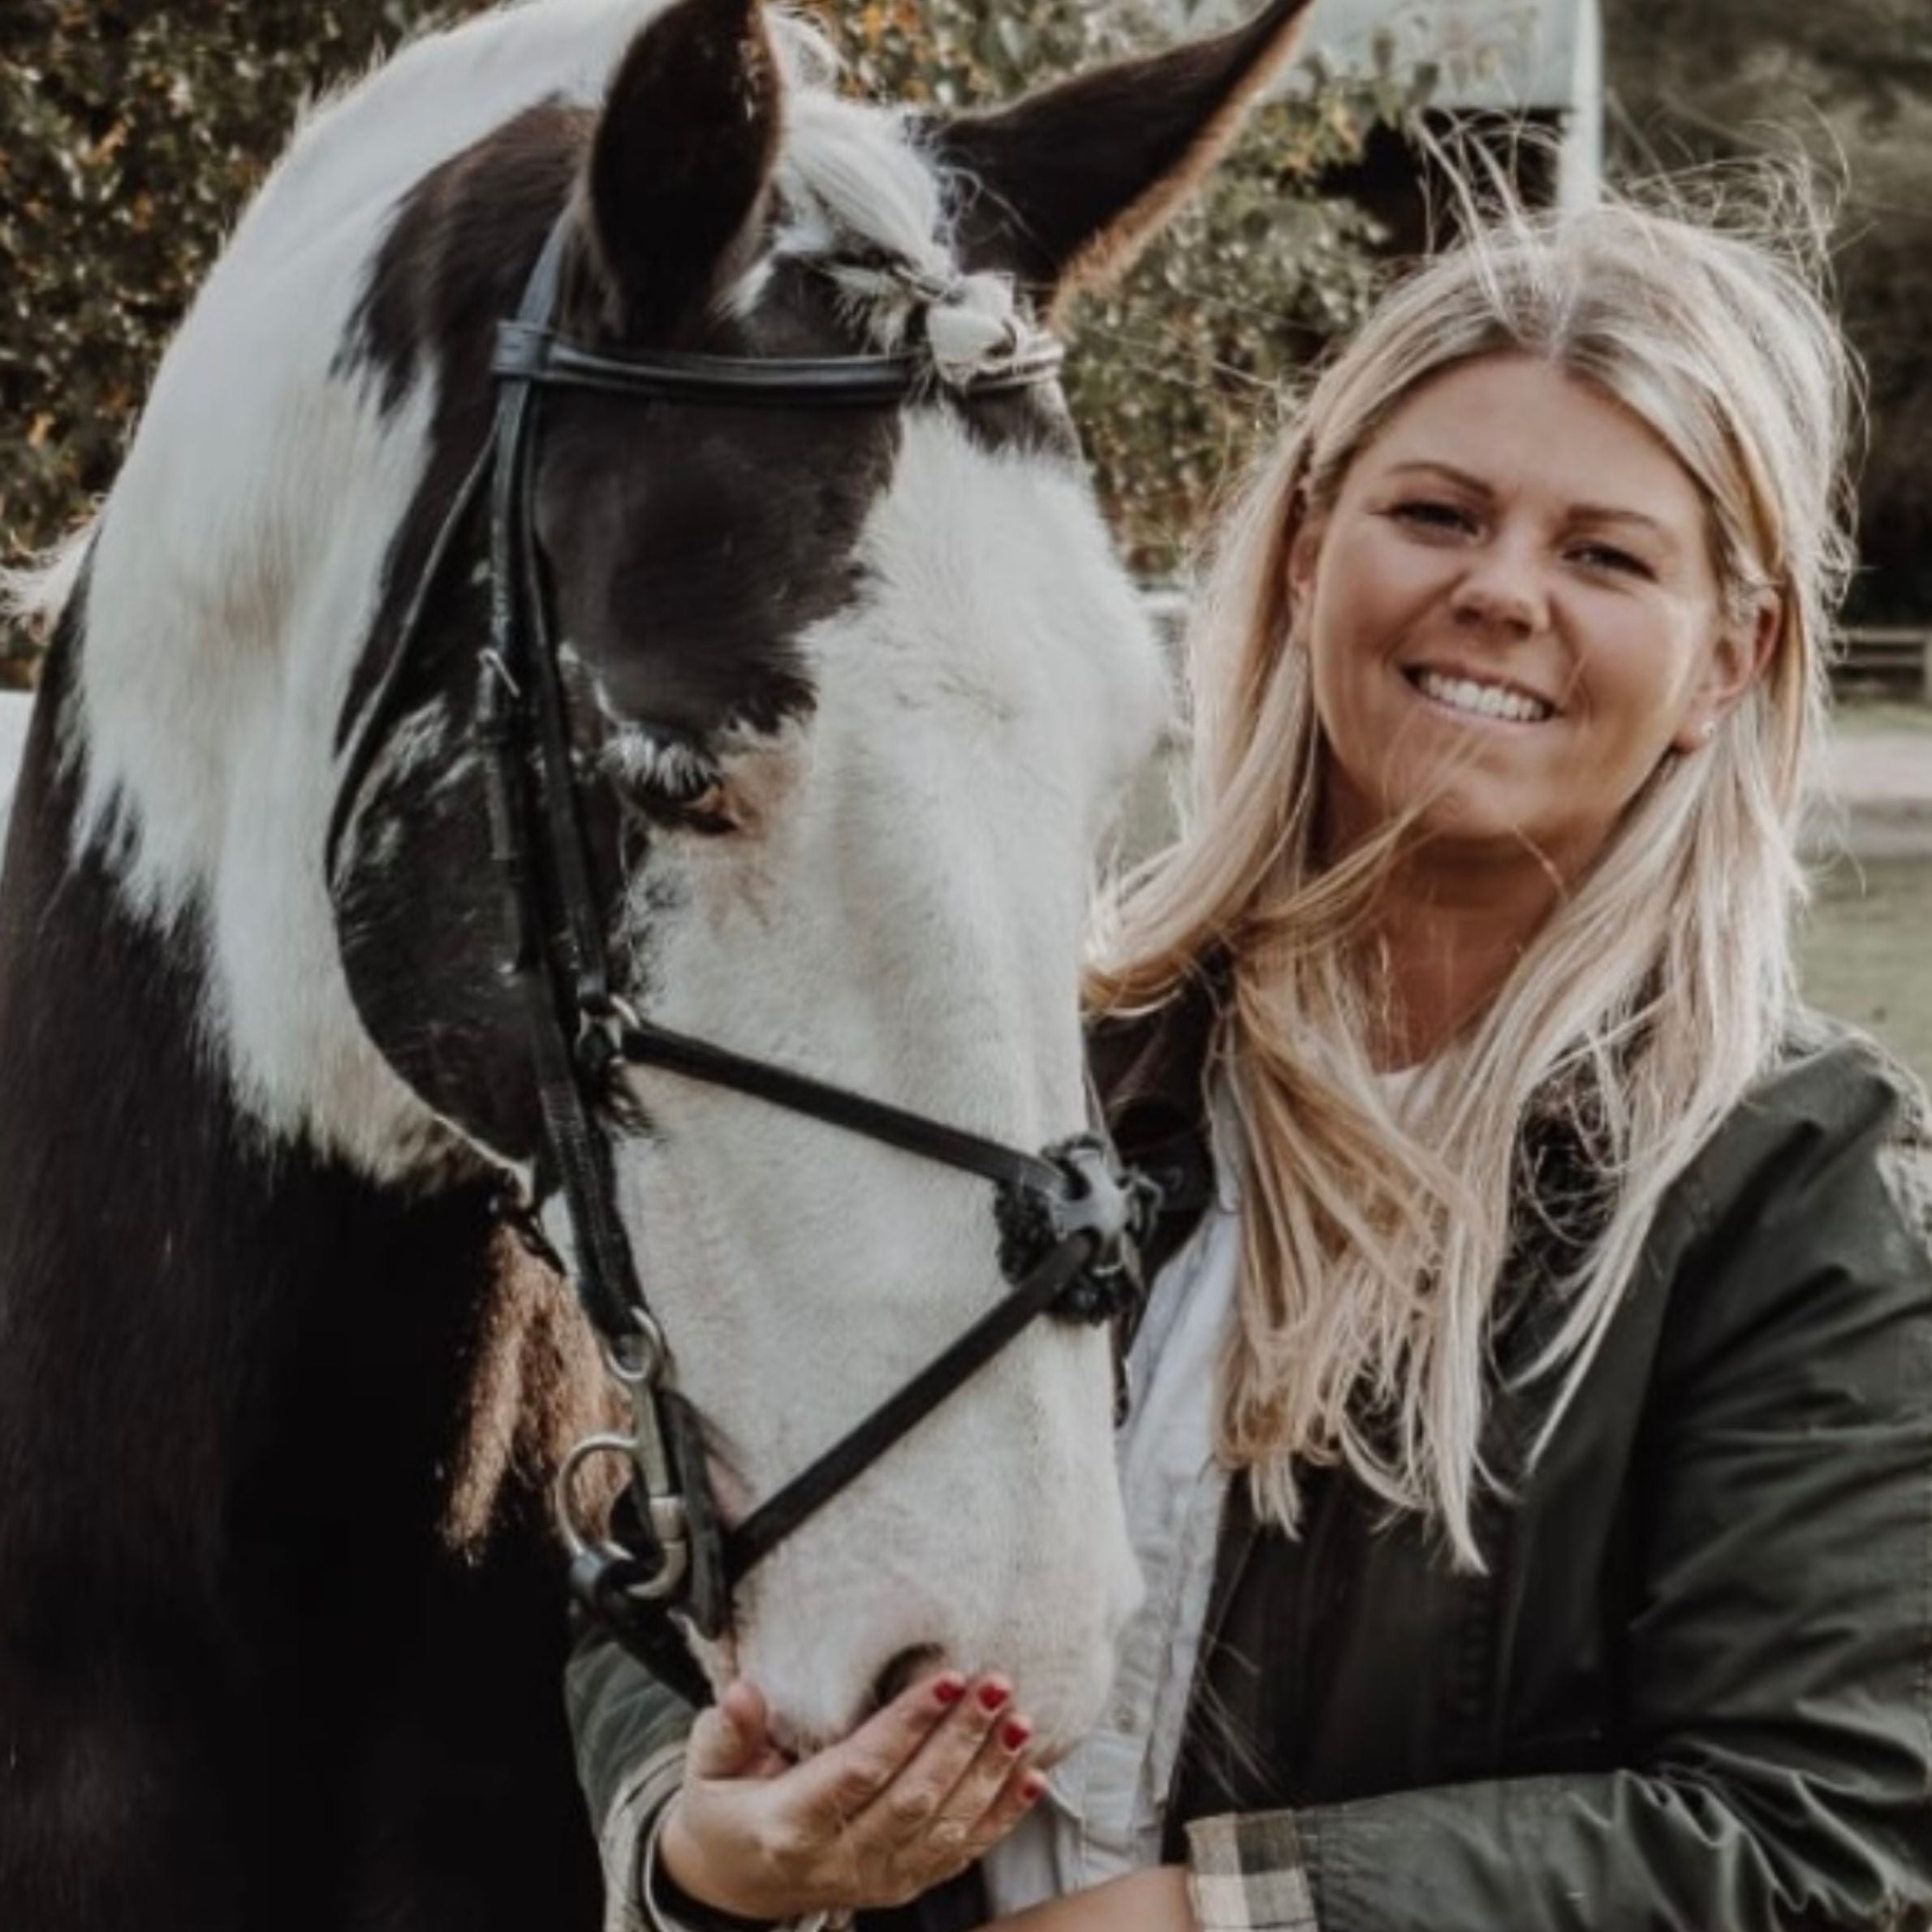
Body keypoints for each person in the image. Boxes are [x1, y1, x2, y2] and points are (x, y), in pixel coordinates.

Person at [567, 176, 1932, 1932]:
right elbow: (642, 1568)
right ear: (1306, 555)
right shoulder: (1019, 1070)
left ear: (1722, 661)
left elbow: (1805, 1828)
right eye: (1434, 512)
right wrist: (694, 1844)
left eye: (1602, 554)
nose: (1500, 590)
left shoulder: (1792, 1183)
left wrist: (1220, 1919)